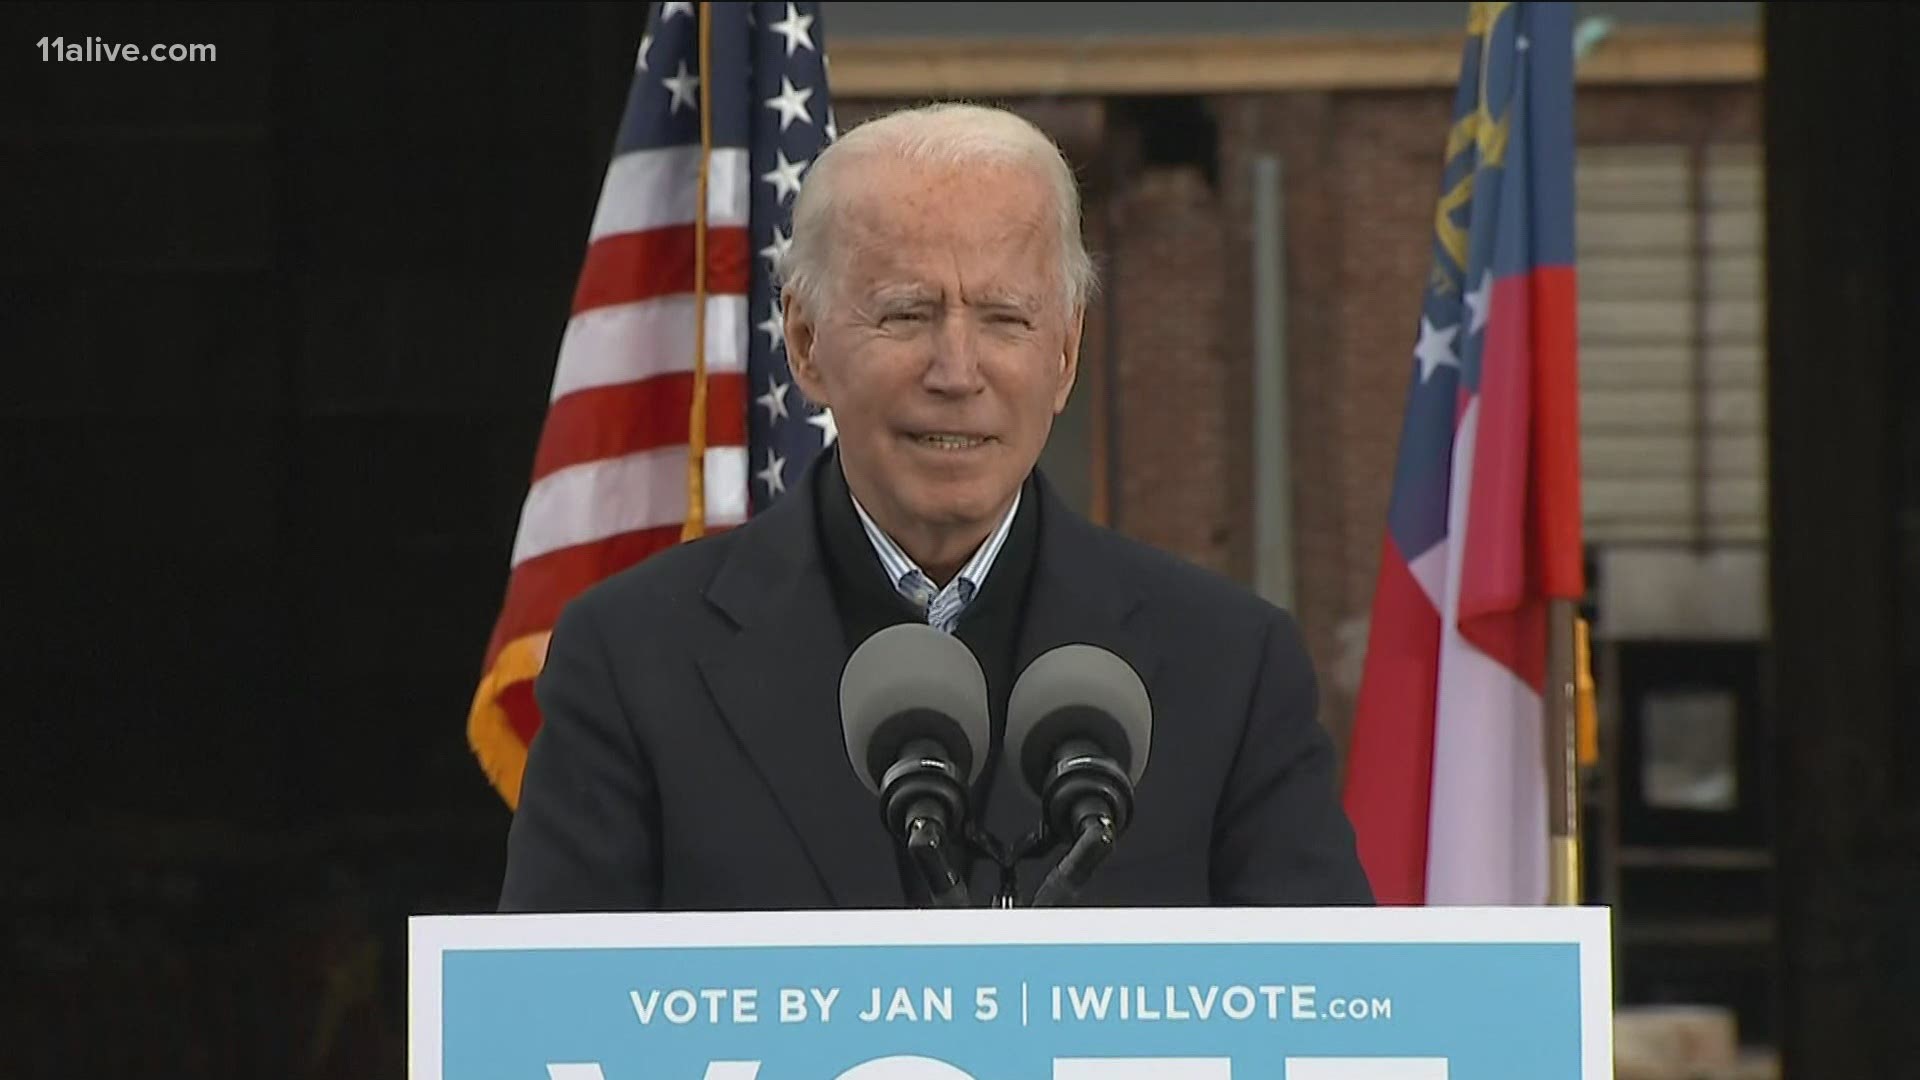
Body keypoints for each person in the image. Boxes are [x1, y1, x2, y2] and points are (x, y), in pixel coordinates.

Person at [498, 103, 1373, 912]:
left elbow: (1332, 1018)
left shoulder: (1230, 667)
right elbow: (552, 1019)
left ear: (1065, 355)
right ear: (804, 344)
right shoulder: (631, 660)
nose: (957, 372)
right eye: (907, 314)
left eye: (1005, 319)